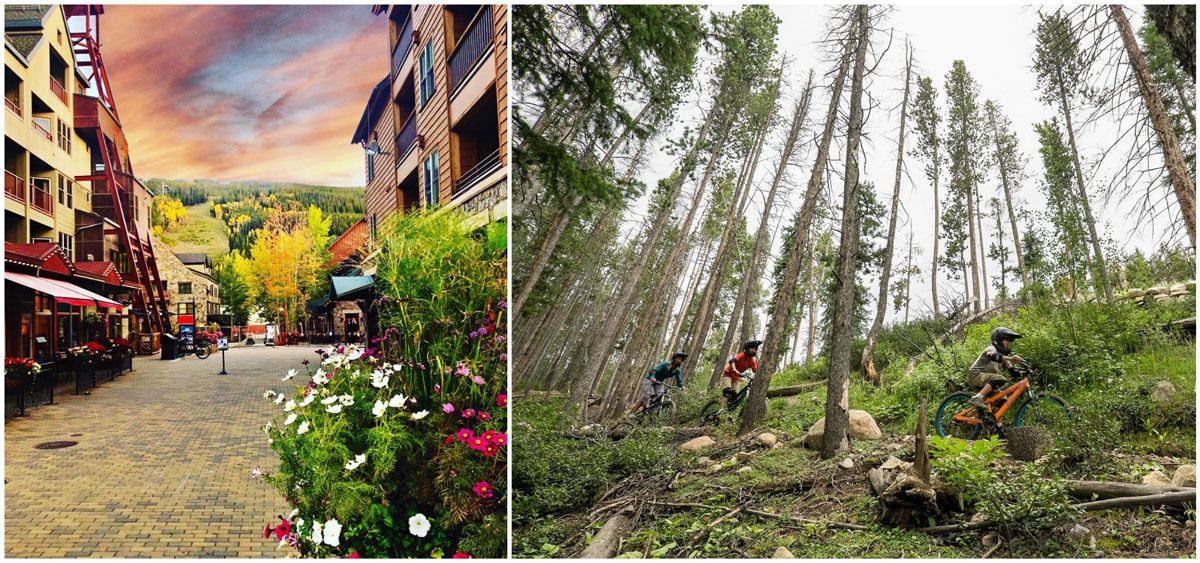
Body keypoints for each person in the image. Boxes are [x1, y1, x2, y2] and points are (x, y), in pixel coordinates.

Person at [967, 327, 1024, 418]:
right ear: (999, 339)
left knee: (1002, 401)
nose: (1009, 342)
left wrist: (1024, 372)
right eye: (1007, 339)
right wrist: (1011, 358)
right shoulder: (991, 348)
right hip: (975, 375)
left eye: (1011, 341)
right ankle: (977, 398)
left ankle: (996, 426)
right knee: (1000, 378)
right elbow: (994, 356)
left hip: (987, 381)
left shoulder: (1004, 357)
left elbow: (1013, 372)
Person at [629, 352, 687, 417]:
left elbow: (679, 381)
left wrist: (682, 386)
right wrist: (653, 377)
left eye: (681, 360)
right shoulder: (665, 364)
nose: (679, 360)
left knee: (660, 397)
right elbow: (655, 370)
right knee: (645, 396)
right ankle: (632, 413)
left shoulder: (677, 370)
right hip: (650, 379)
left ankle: (651, 414)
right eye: (678, 358)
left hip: (659, 382)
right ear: (674, 358)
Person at [721, 340, 761, 407]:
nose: (754, 350)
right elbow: (733, 360)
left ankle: (727, 410)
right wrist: (734, 369)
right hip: (728, 374)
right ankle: (720, 409)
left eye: (755, 349)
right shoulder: (742, 355)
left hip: (736, 378)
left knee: (735, 395)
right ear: (747, 348)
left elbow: (755, 371)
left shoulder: (752, 361)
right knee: (727, 391)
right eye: (752, 348)